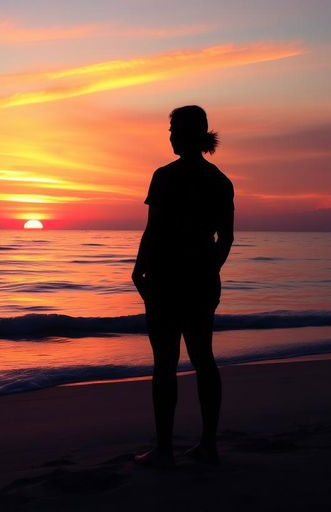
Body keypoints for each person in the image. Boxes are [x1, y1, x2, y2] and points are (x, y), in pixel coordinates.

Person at [132, 105, 234, 468]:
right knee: (203, 358)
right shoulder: (219, 180)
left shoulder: (165, 176)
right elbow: (226, 238)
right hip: (201, 282)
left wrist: (138, 269)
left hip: (166, 280)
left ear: (188, 134)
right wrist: (209, 270)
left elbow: (153, 229)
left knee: (165, 364)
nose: (171, 136)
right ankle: (208, 445)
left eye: (174, 130)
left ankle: (164, 450)